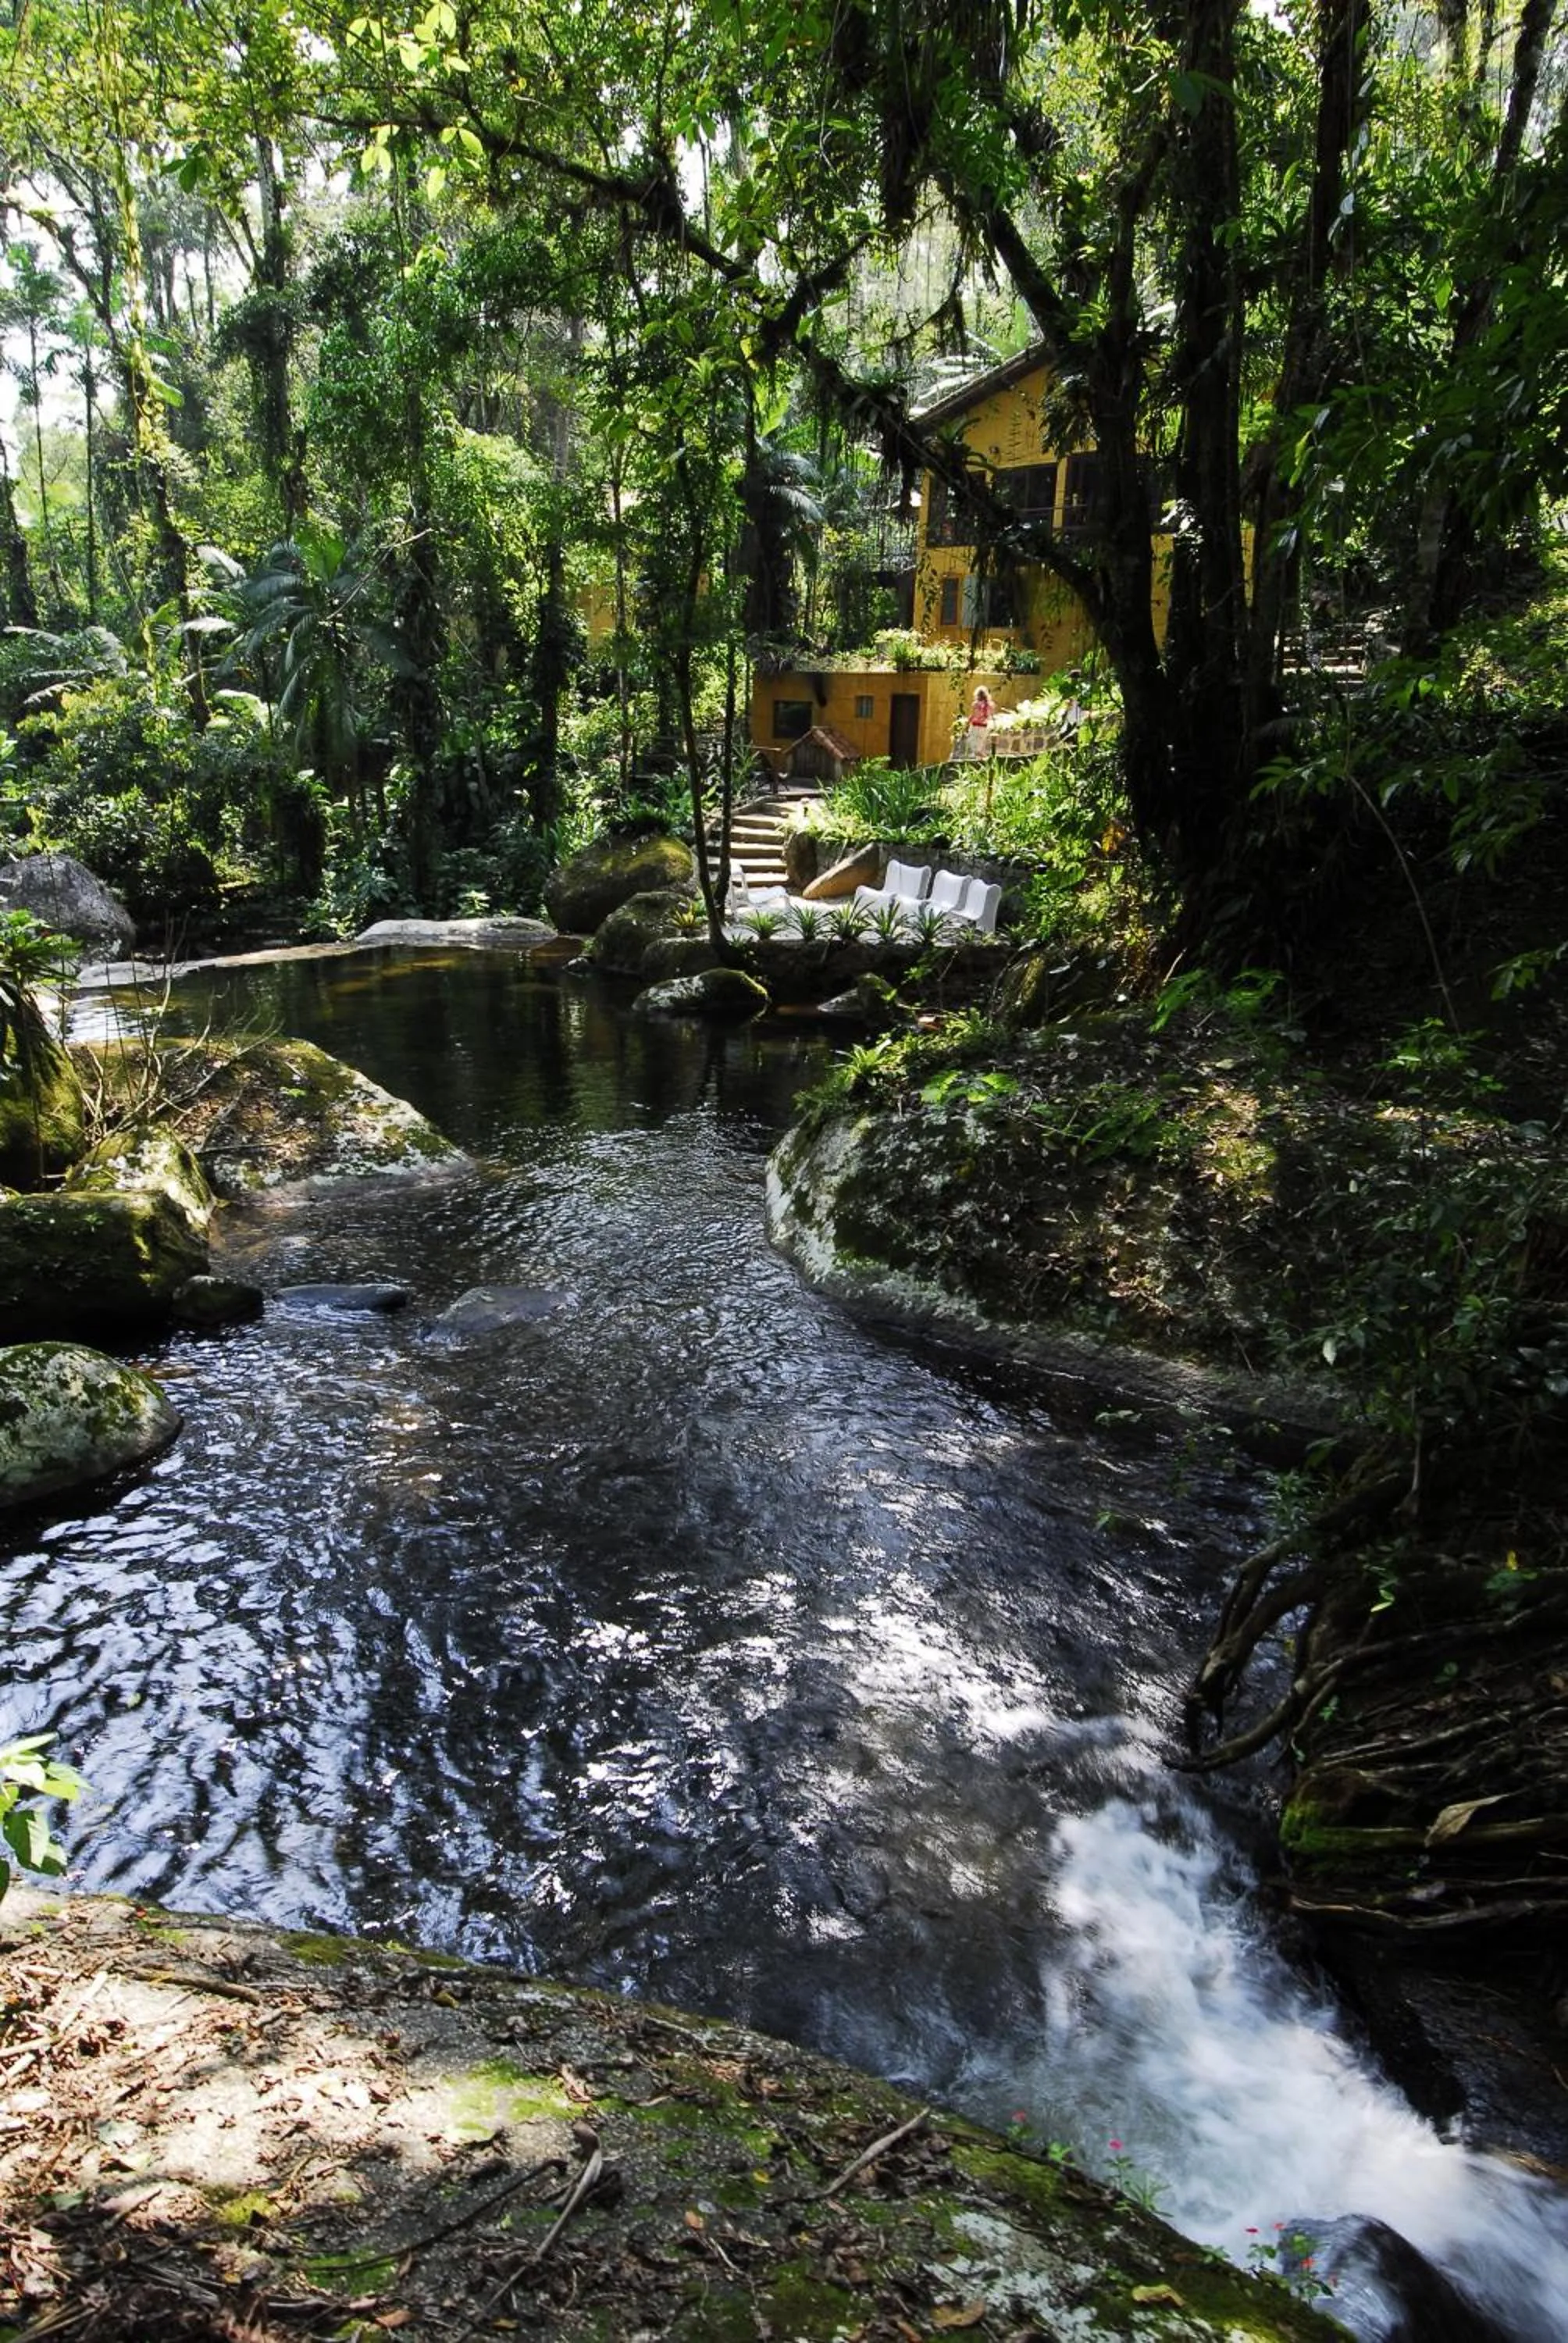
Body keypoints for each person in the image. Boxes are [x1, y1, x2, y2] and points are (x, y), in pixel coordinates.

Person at [967, 685, 993, 760]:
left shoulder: (976, 704)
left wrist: (967, 724)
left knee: (972, 745)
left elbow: (973, 715)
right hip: (984, 726)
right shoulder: (989, 705)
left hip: (975, 726)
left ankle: (984, 759)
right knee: (980, 746)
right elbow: (989, 716)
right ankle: (982, 760)